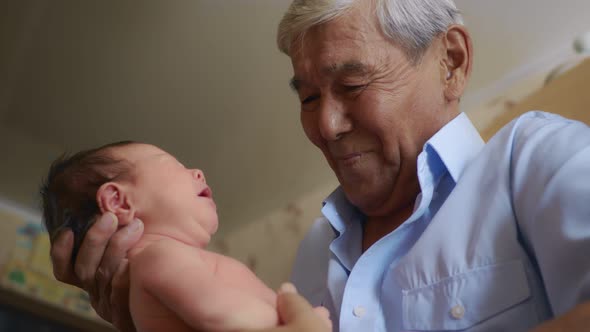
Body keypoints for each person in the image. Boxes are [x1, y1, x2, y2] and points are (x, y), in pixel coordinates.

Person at [49, 0, 590, 331]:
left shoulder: (536, 157)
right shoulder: (313, 256)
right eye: (307, 98)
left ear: (450, 62)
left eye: (352, 86)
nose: (324, 126)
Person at [41, 141, 330, 331]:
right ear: (120, 202)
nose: (198, 172)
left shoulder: (165, 262)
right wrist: (299, 321)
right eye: (175, 166)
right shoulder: (157, 256)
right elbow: (221, 315)